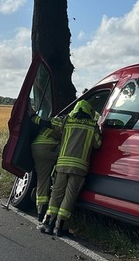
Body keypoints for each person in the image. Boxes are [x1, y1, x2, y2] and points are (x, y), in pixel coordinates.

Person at [39, 99, 102, 237]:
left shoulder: (67, 121)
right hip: (79, 167)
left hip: (62, 165)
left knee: (56, 194)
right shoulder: (92, 126)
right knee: (69, 196)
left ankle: (47, 224)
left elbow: (51, 123)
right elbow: (98, 144)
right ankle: (60, 228)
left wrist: (34, 118)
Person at [30, 113, 62, 222]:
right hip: (50, 147)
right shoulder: (67, 123)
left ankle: (40, 211)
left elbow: (41, 121)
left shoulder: (55, 119)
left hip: (36, 147)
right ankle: (53, 209)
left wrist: (33, 116)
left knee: (42, 179)